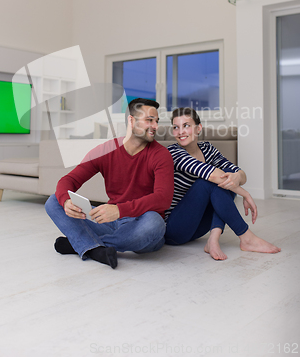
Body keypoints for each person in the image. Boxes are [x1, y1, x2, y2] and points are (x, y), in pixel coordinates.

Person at [45, 98, 174, 269]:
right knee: (54, 201)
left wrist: (120, 210)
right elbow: (68, 180)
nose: (156, 126)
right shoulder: (106, 150)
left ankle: (84, 244)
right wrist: (66, 201)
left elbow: (163, 198)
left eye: (156, 121)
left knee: (155, 223)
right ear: (131, 120)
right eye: (149, 120)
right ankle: (95, 247)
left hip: (141, 224)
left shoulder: (161, 155)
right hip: (109, 222)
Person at [165, 107, 281, 260]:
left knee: (228, 175)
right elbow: (210, 174)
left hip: (197, 228)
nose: (180, 132)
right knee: (208, 181)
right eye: (176, 127)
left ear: (198, 128)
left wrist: (237, 177)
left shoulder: (207, 149)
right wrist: (245, 193)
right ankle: (246, 237)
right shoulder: (174, 153)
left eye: (186, 125)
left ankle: (213, 239)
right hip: (174, 230)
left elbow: (240, 174)